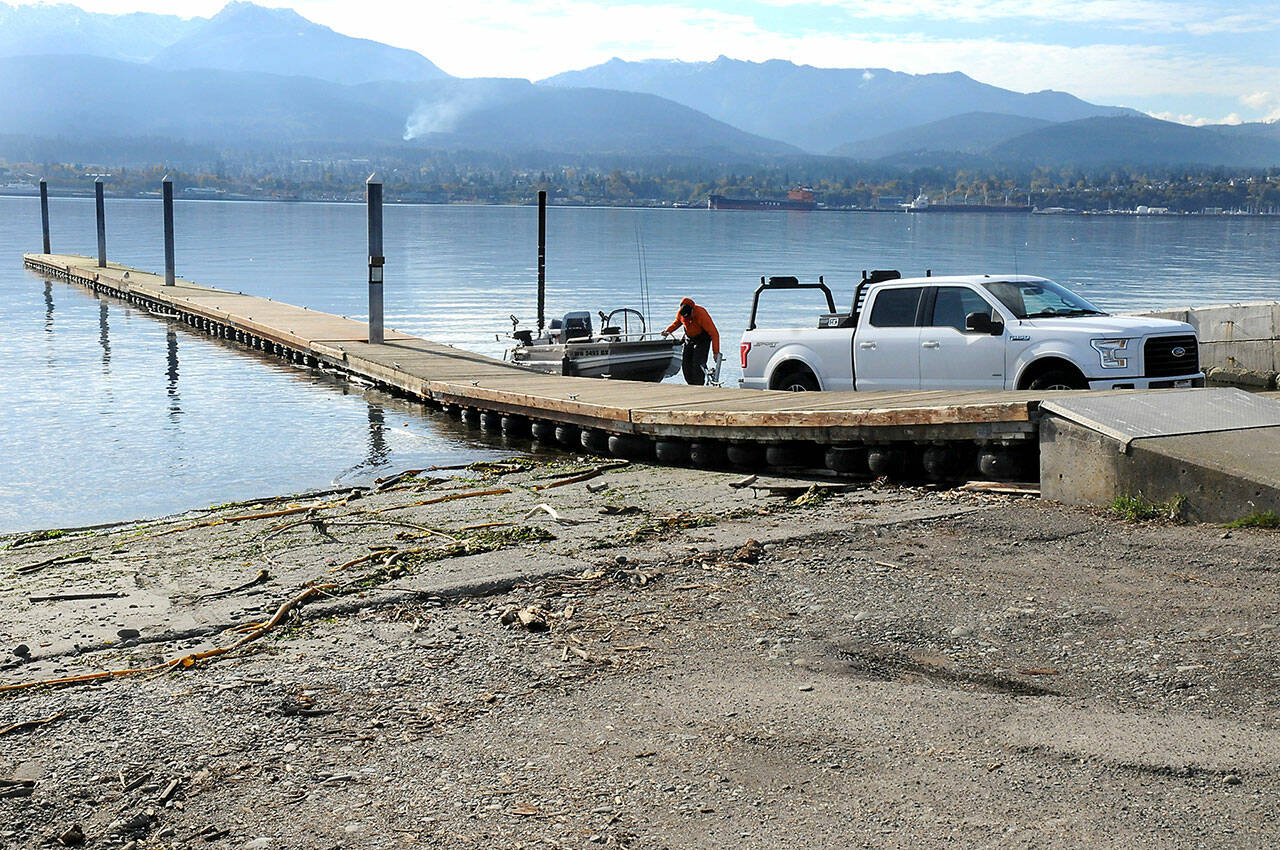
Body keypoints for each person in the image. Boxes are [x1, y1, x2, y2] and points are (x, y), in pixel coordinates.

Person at [662, 297, 721, 385]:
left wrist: (715, 352)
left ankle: (699, 384)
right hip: (689, 339)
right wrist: (668, 331)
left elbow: (714, 334)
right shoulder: (681, 314)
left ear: (692, 311)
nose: (688, 319)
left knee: (698, 364)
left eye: (689, 316)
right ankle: (691, 384)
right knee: (686, 365)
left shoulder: (701, 314)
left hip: (702, 340)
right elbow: (677, 323)